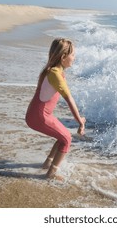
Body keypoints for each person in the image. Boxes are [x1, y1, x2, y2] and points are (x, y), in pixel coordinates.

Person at [25, 38, 85, 181]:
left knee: (62, 135)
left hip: (35, 113)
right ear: (63, 57)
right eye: (73, 55)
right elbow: (69, 99)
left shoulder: (51, 70)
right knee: (67, 139)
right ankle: (51, 174)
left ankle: (47, 164)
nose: (74, 58)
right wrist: (80, 121)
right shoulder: (55, 74)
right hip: (40, 116)